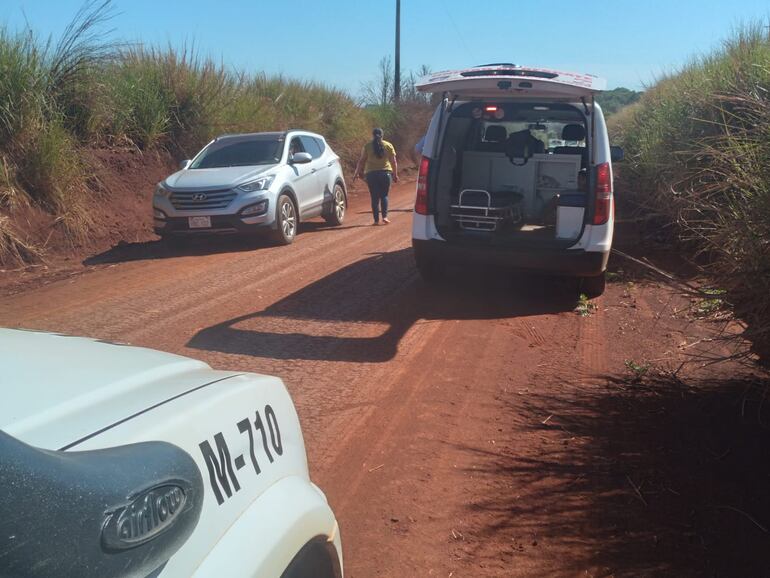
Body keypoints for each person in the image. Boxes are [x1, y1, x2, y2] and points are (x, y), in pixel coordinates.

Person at [353, 128, 399, 225]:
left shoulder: (367, 146)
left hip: (371, 175)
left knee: (374, 197)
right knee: (384, 196)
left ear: (373, 135)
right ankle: (385, 217)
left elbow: (361, 161)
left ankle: (376, 220)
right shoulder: (388, 145)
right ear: (382, 135)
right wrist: (395, 174)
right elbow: (394, 161)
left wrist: (356, 173)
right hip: (385, 174)